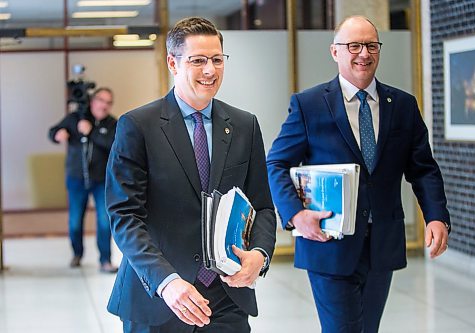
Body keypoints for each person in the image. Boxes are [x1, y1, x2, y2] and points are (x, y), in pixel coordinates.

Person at [266, 15, 451, 333]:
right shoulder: (309, 105)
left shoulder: (403, 105)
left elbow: (423, 169)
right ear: (335, 51)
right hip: (328, 242)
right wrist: (296, 215)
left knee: (367, 328)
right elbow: (277, 164)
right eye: (353, 45)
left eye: (371, 45)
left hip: (382, 244)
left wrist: (436, 216)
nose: (363, 53)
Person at [105, 17, 276, 333]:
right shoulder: (138, 126)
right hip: (158, 296)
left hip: (227, 297)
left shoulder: (244, 126)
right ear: (173, 62)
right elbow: (125, 216)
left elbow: (263, 206)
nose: (210, 70)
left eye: (216, 59)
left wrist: (260, 254)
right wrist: (167, 282)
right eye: (198, 61)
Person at [48, 87, 118, 273]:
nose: (104, 105)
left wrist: (91, 132)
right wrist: (57, 135)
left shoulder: (113, 124)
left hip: (102, 180)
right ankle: (77, 254)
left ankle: (105, 260)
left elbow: (114, 145)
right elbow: (53, 131)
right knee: (75, 220)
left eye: (108, 102)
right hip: (76, 178)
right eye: (101, 100)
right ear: (92, 101)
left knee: (105, 221)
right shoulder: (75, 118)